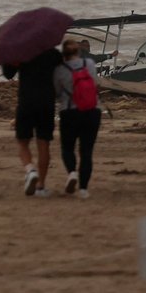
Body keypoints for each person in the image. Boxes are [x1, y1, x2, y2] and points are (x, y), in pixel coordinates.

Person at [2, 47, 62, 197]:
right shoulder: (53, 53)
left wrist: (10, 59)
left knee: (23, 142)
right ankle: (41, 187)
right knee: (44, 143)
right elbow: (61, 76)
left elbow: (8, 75)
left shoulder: (22, 52)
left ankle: (30, 169)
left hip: (26, 101)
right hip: (46, 102)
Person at [54, 38, 103, 199]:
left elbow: (57, 93)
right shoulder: (89, 63)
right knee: (86, 152)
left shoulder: (59, 69)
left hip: (70, 112)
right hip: (92, 111)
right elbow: (95, 84)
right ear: (78, 51)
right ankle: (83, 189)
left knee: (67, 148)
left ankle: (72, 173)